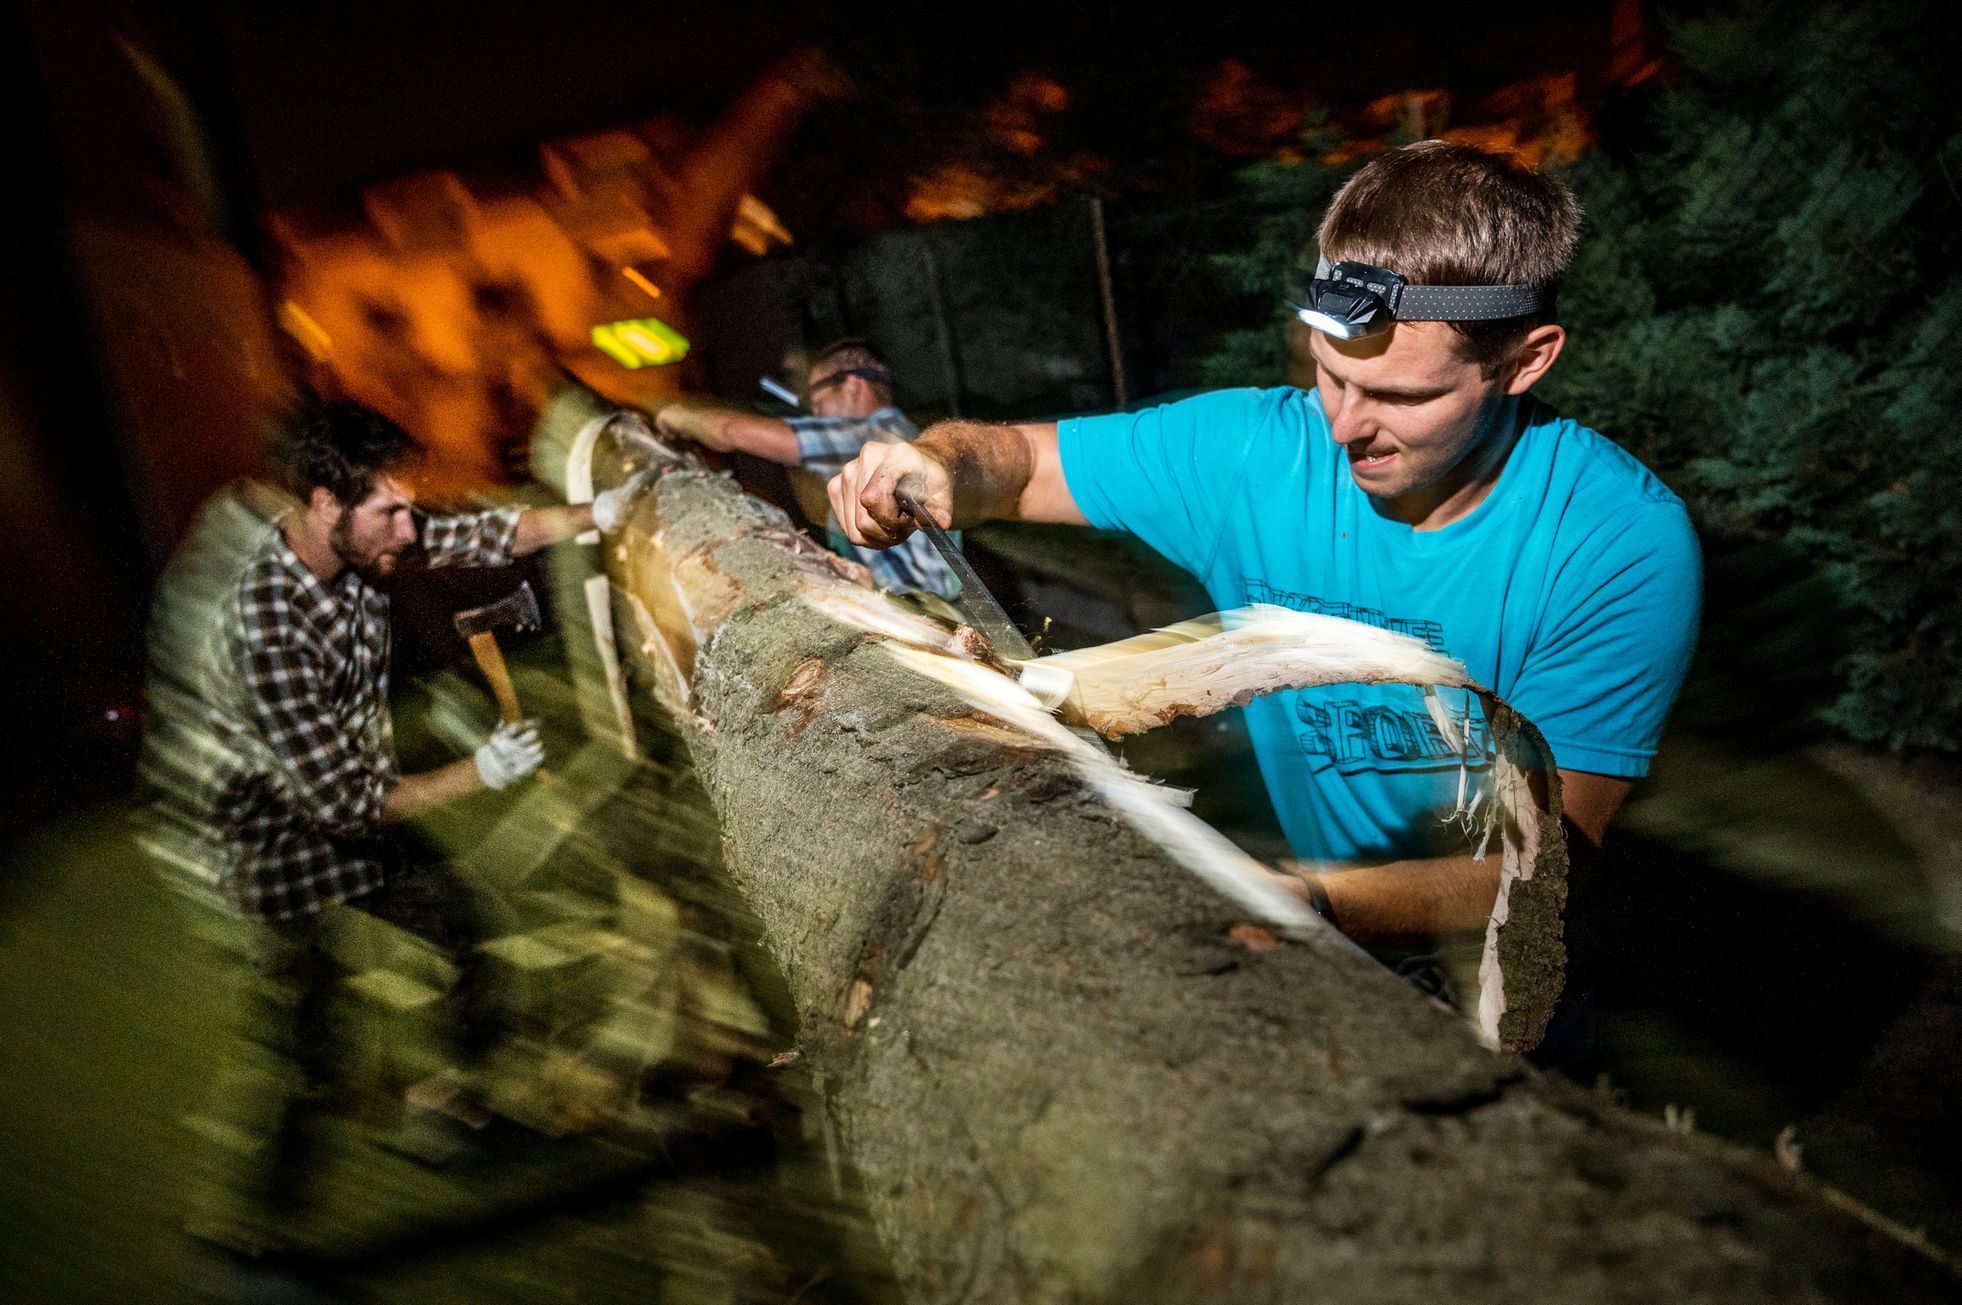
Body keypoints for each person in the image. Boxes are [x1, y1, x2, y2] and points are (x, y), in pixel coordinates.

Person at [826, 141, 1701, 958]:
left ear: (1524, 360)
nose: (1344, 424)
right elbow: (1013, 467)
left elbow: (1551, 867)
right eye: (1330, 372)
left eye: (1399, 395)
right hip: (1319, 943)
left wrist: (1306, 900)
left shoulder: (1616, 545)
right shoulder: (1250, 454)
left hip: (1502, 982)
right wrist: (937, 460)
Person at [171, 396, 645, 1257]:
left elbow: (482, 535)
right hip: (272, 835)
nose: (408, 523)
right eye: (389, 507)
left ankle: (451, 1110)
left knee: (464, 932)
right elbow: (349, 801)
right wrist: (480, 771)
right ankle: (245, 1225)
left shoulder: (353, 531)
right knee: (312, 1037)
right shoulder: (260, 625)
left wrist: (595, 513)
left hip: (332, 797)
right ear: (323, 504)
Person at [654, 338, 960, 599]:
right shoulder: (906, 434)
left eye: (818, 401)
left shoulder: (872, 437)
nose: (816, 414)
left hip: (925, 609)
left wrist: (679, 415)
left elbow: (733, 431)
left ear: (853, 386)